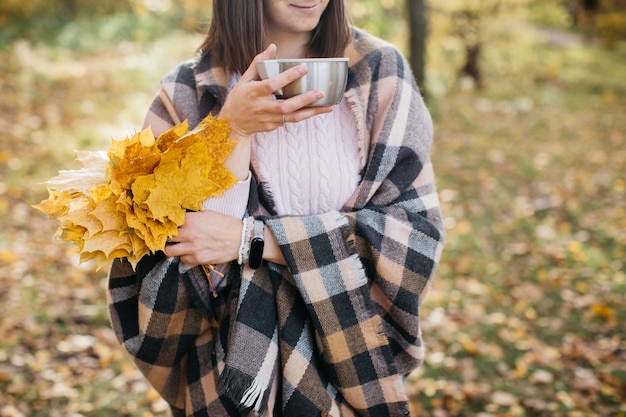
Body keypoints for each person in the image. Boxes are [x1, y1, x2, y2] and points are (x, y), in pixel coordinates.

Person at [107, 0, 445, 416]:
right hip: (229, 373)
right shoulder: (186, 93)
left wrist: (256, 241)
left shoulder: (379, 72)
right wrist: (231, 129)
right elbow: (174, 255)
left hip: (349, 355)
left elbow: (415, 235)